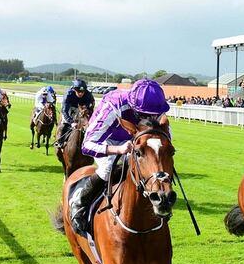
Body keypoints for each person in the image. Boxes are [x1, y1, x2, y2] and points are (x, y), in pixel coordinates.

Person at [70, 79, 170, 235]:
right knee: (108, 167)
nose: (150, 119)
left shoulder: (154, 107)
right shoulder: (113, 105)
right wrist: (118, 149)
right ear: (135, 107)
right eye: (144, 115)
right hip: (106, 140)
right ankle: (80, 203)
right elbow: (87, 144)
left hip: (136, 139)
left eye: (153, 115)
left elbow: (164, 138)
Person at [56, 79, 96, 148]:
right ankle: (60, 141)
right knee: (63, 124)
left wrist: (88, 112)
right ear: (74, 90)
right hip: (70, 108)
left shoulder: (88, 95)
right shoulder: (68, 94)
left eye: (82, 91)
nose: (80, 93)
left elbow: (91, 107)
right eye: (78, 91)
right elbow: (64, 110)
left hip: (83, 109)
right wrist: (71, 122)